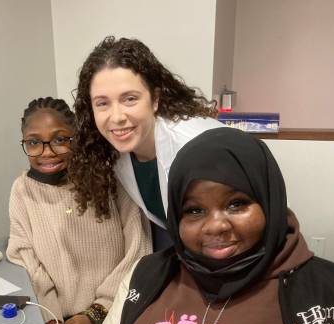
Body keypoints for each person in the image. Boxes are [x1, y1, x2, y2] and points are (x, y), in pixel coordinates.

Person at [74, 127, 334, 324]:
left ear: (268, 201)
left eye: (236, 204)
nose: (215, 226)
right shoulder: (147, 275)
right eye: (194, 210)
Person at [6, 97, 151, 324]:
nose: (47, 152)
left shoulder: (113, 181)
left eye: (60, 139)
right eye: (34, 143)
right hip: (55, 321)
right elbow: (24, 257)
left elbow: (138, 253)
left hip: (110, 317)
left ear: (78, 137)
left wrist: (96, 313)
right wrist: (51, 319)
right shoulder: (22, 189)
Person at [68, 36, 225, 250]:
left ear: (155, 99)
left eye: (130, 99)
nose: (116, 117)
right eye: (102, 103)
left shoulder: (195, 146)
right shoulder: (112, 149)